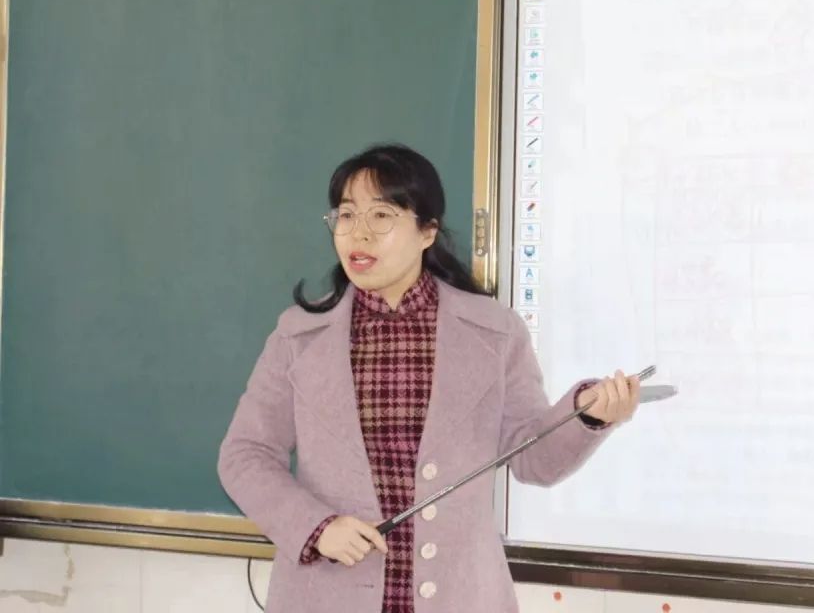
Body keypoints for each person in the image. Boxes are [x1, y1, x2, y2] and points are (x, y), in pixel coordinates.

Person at [218, 143, 640, 612]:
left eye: (381, 215)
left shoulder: (494, 331)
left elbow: (532, 458)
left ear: (427, 231)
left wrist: (586, 416)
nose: (359, 233)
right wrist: (317, 528)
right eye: (346, 215)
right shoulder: (298, 336)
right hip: (326, 597)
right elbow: (244, 456)